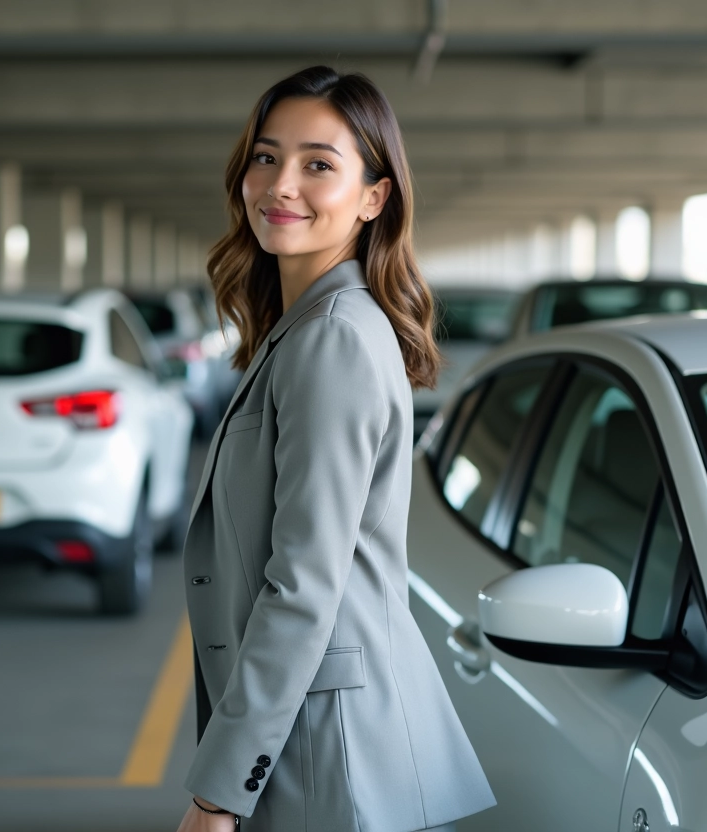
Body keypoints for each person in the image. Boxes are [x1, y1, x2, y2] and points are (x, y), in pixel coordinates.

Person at [176, 66, 495, 832]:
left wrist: (218, 795)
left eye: (319, 164)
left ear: (373, 198)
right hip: (312, 737)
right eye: (266, 156)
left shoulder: (335, 339)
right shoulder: (308, 329)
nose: (282, 184)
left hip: (329, 752)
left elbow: (303, 584)